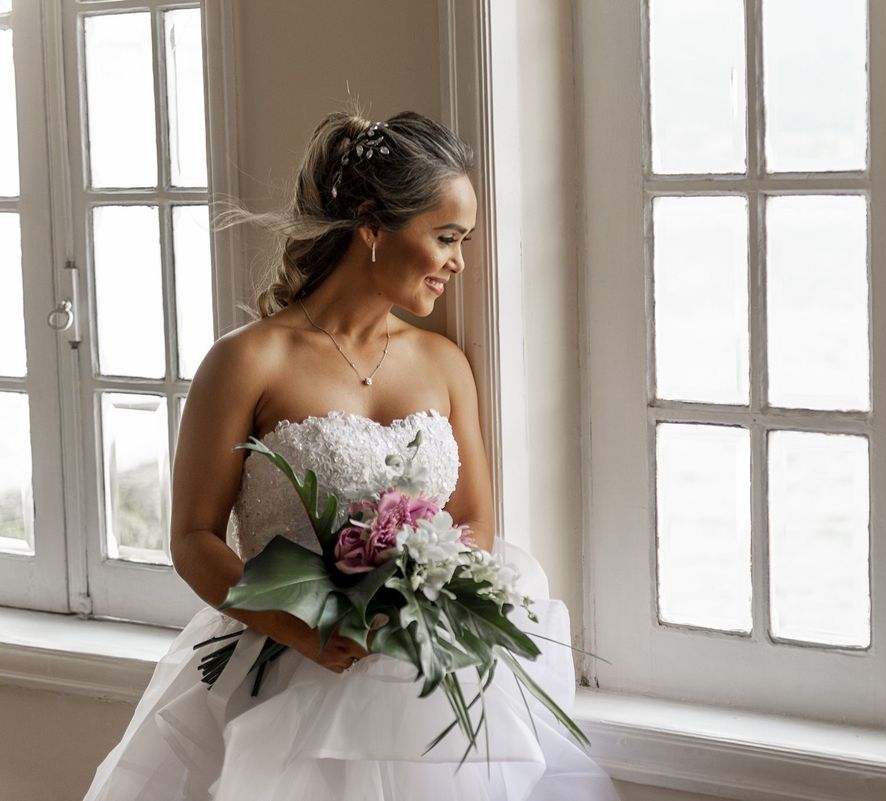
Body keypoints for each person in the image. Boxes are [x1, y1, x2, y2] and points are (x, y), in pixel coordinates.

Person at [83, 109, 621, 801]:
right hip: (283, 675)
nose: (459, 261)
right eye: (446, 238)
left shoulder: (444, 362)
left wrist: (419, 605)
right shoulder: (247, 361)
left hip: (427, 679)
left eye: (464, 240)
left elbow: (474, 521)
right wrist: (300, 626)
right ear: (371, 225)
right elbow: (192, 538)